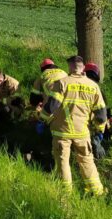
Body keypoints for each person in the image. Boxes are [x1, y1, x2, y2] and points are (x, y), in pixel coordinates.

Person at [41, 56, 108, 195]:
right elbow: (101, 114)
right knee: (87, 161)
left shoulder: (62, 83)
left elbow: (51, 107)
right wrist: (99, 129)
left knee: (63, 162)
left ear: (70, 67)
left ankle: (65, 194)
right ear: (83, 67)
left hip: (62, 132)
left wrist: (42, 120)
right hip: (83, 133)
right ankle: (96, 191)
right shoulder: (93, 86)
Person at [83, 62, 106, 160]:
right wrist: (100, 132)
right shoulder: (98, 90)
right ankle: (96, 140)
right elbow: (102, 115)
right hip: (94, 123)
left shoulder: (74, 84)